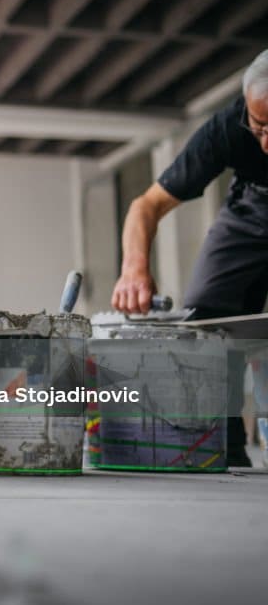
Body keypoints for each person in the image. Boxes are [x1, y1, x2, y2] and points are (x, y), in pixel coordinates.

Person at [111, 49, 268, 467]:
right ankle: (226, 445)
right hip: (253, 209)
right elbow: (146, 206)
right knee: (208, 317)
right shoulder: (224, 129)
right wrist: (134, 270)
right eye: (260, 128)